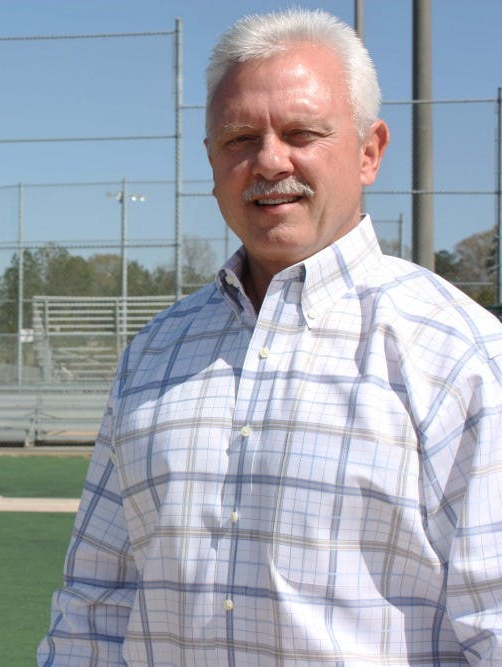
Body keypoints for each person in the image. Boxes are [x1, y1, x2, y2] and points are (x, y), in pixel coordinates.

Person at [38, 8, 502, 666]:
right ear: (211, 158)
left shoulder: (459, 358)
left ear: (369, 152)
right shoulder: (155, 355)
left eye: (302, 132)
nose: (268, 160)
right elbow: (98, 600)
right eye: (239, 138)